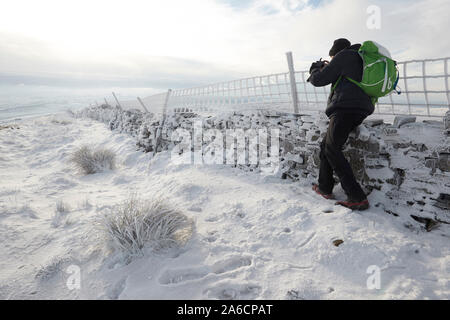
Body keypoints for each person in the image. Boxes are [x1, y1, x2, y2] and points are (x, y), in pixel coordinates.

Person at [307, 38, 374, 211]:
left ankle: (357, 197)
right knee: (326, 145)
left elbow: (319, 79)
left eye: (332, 56)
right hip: (360, 108)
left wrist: (315, 68)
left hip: (345, 108)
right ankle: (325, 187)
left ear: (336, 52)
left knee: (332, 149)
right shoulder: (360, 58)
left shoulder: (345, 56)